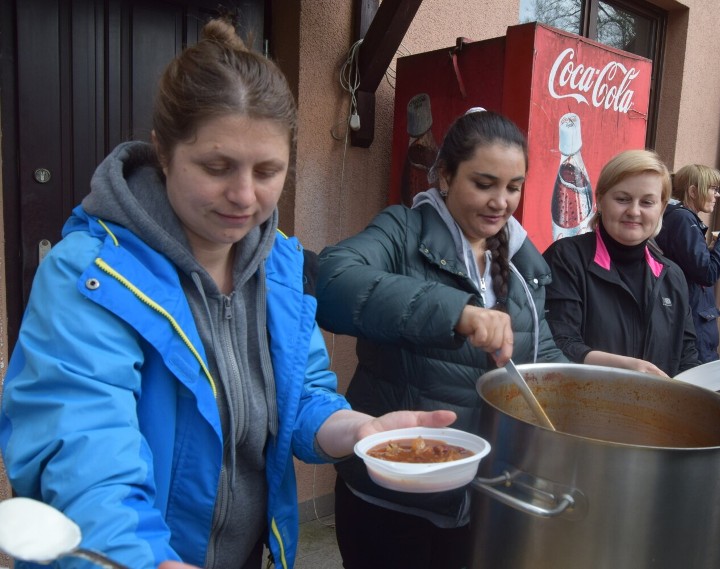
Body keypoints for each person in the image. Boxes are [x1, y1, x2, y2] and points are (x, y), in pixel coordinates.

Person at [0, 19, 454, 569]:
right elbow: (83, 458)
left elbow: (303, 395)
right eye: (217, 167)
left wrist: (357, 430)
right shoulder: (88, 275)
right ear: (163, 152)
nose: (243, 196)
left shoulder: (280, 265)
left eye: (268, 170)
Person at [315, 108, 568, 569]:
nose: (501, 202)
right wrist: (456, 312)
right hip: (391, 495)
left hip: (480, 497)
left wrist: (591, 380)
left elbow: (539, 353)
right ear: (446, 177)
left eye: (513, 187)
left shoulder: (522, 259)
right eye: (484, 183)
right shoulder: (402, 231)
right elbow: (332, 282)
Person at [543, 149, 701, 378]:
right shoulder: (567, 259)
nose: (634, 211)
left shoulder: (672, 276)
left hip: (655, 412)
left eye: (647, 202)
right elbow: (557, 343)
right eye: (623, 199)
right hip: (576, 408)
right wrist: (623, 369)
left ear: (662, 208)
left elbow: (687, 357)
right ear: (600, 199)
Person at [654, 164, 720, 363]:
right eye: (713, 189)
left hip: (687, 312)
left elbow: (691, 264)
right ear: (693, 191)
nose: (717, 195)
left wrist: (715, 248)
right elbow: (707, 273)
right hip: (693, 318)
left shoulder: (677, 216)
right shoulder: (683, 218)